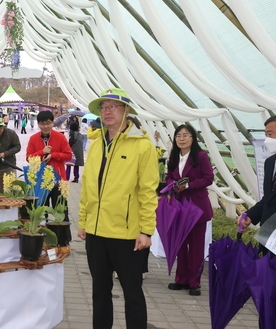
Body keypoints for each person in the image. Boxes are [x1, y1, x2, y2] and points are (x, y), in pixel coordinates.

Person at [77, 88, 158, 329]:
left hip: (127, 234)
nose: (107, 111)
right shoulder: (96, 144)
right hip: (96, 232)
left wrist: (146, 230)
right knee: (100, 292)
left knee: (132, 293)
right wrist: (84, 221)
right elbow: (88, 186)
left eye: (114, 106)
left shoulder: (142, 146)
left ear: (127, 111)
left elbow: (147, 191)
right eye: (104, 107)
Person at [164, 124, 213, 296]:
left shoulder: (200, 156)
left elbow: (209, 178)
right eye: (178, 135)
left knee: (196, 246)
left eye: (186, 135)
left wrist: (189, 185)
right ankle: (181, 279)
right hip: (178, 206)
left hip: (197, 208)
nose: (182, 139)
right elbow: (169, 175)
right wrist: (172, 184)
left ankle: (195, 282)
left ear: (193, 138)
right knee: (180, 244)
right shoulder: (175, 156)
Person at [239, 116, 276, 258]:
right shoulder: (270, 162)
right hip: (268, 232)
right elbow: (268, 198)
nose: (267, 139)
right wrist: (251, 216)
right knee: (268, 273)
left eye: (271, 134)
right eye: (266, 134)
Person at [26, 111, 72, 219]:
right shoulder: (33, 139)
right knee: (41, 214)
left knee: (61, 213)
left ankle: (64, 236)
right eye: (42, 123)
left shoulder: (60, 137)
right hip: (41, 182)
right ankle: (44, 234)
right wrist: (42, 152)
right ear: (38, 124)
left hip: (58, 181)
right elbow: (29, 158)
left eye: (48, 123)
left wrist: (53, 155)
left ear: (53, 123)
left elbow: (68, 155)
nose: (45, 126)